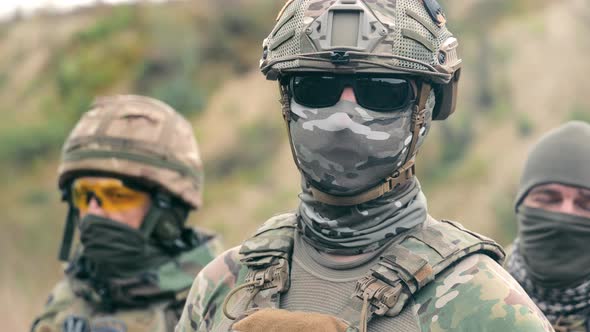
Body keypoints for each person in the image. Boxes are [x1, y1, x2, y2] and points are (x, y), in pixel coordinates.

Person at [176, 0, 552, 331]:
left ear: (424, 110)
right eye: (316, 88)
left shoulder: (484, 303)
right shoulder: (224, 284)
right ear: (287, 103)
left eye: (382, 90)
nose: (344, 116)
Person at [31, 95, 222, 332]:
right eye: (83, 195)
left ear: (166, 214)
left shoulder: (220, 302)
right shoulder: (66, 303)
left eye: (116, 196)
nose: (93, 211)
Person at [506, 121, 590, 332]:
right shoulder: (471, 288)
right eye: (548, 199)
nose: (566, 213)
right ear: (521, 205)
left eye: (585, 204)